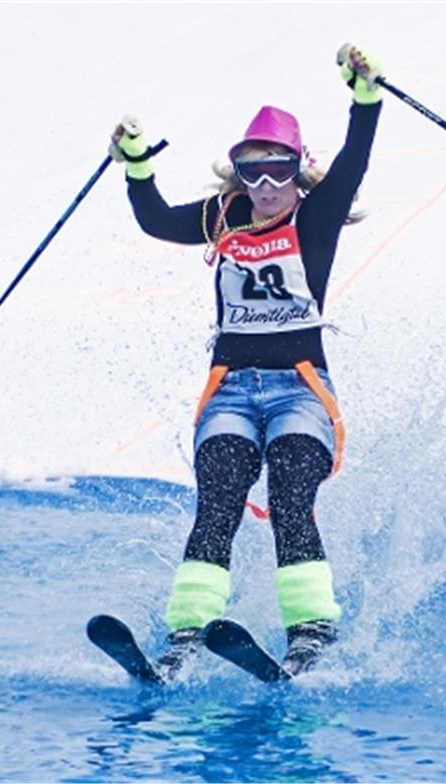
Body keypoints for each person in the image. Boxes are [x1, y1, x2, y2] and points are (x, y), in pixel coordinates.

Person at [109, 44, 384, 679]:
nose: (264, 188)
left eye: (278, 171)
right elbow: (153, 221)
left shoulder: (317, 218)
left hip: (300, 390)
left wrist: (364, 98)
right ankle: (185, 636)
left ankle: (311, 632)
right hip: (230, 389)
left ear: (297, 171)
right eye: (251, 172)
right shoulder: (223, 217)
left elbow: (356, 161)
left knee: (290, 491)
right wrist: (135, 164)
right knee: (220, 497)